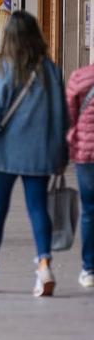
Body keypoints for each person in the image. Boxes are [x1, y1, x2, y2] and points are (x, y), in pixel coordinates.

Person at [0, 11, 68, 297]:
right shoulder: (49, 69)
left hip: (3, 155)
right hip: (40, 154)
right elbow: (61, 116)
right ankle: (44, 267)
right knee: (38, 209)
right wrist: (61, 154)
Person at [66, 62, 94, 288]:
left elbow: (69, 119)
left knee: (89, 212)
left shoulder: (80, 77)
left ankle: (89, 269)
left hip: (87, 155)